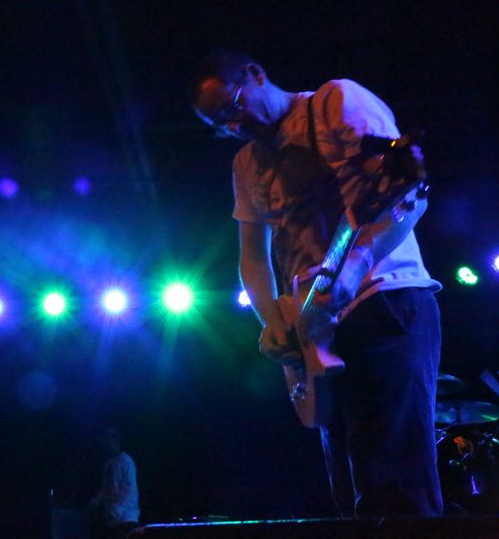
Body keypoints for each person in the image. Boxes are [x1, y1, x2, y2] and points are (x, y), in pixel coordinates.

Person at [190, 49, 443, 518]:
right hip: (316, 329)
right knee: (351, 489)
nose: (234, 125)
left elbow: (405, 195)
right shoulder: (246, 163)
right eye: (221, 124)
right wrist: (273, 320)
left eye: (234, 107)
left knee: (395, 484)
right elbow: (252, 256)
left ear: (256, 74)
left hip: (383, 299)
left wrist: (354, 266)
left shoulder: (335, 103)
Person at [89, 427, 139, 538]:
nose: (106, 444)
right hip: (112, 520)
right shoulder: (108, 464)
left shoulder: (126, 461)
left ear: (116, 440)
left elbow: (129, 488)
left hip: (126, 518)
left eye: (108, 440)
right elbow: (106, 488)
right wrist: (97, 500)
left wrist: (117, 509)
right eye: (104, 441)